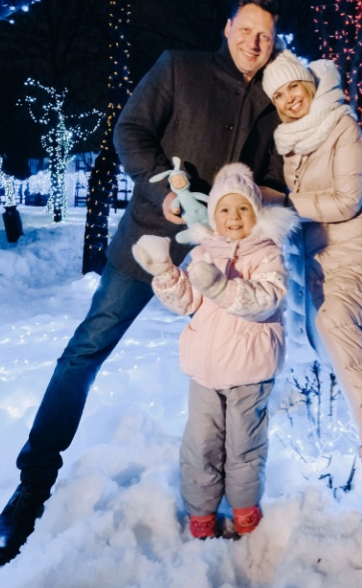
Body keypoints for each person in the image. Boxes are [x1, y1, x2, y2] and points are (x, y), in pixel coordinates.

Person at [0, 0, 285, 566]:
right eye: (246, 29)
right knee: (87, 349)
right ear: (227, 28)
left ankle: (226, 494)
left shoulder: (273, 103)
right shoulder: (180, 67)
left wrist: (250, 206)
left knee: (227, 376)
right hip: (147, 243)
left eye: (265, 36)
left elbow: (274, 180)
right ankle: (33, 482)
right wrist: (164, 190)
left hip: (221, 268)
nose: (254, 42)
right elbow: (131, 132)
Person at [259, 49, 362, 521]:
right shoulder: (287, 140)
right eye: (278, 94)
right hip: (316, 257)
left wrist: (284, 201)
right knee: (324, 340)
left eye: (293, 89)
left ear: (309, 86)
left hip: (356, 248)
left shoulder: (341, 124)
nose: (288, 99)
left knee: (337, 322)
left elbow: (347, 199)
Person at [132, 163, 296, 539]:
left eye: (242, 209)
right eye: (225, 209)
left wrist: (223, 289)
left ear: (255, 213)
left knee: (244, 445)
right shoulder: (204, 252)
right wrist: (165, 273)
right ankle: (202, 508)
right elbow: (186, 301)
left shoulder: (267, 254)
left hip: (248, 371)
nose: (234, 217)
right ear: (214, 215)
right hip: (204, 372)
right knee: (201, 444)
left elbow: (267, 299)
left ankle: (243, 506)